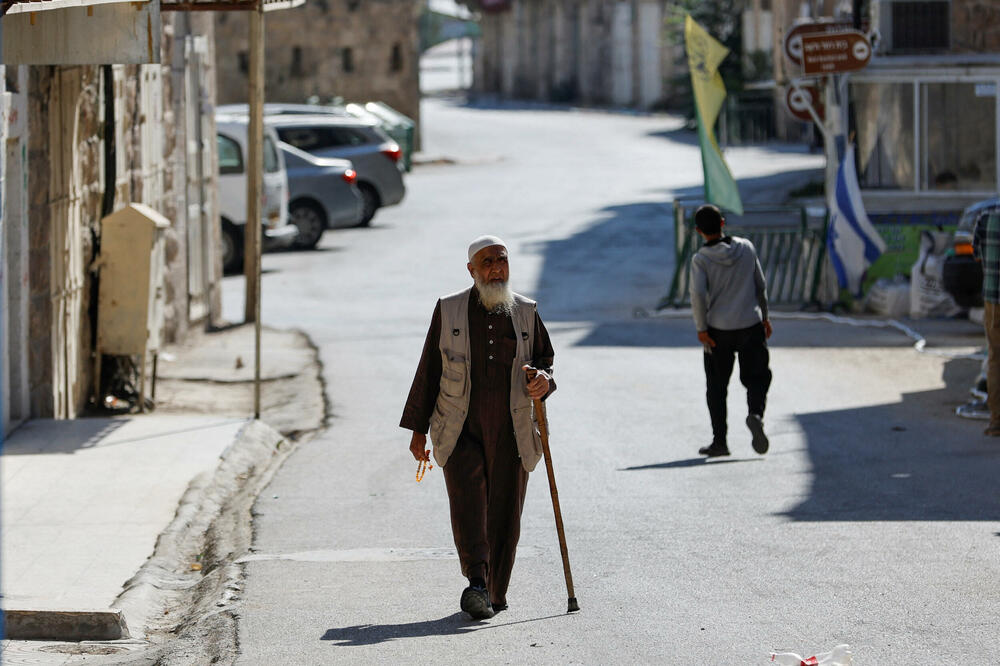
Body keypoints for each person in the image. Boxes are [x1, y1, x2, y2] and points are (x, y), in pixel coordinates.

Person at [400, 235, 555, 619]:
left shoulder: (526, 311)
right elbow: (429, 370)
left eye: (501, 261)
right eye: (487, 263)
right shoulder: (449, 310)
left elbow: (545, 361)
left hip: (512, 429)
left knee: (505, 512)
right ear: (471, 270)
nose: (496, 269)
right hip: (459, 428)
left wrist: (544, 381)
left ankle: (496, 593)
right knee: (468, 508)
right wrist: (417, 431)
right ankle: (477, 583)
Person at [688, 204, 772, 457]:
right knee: (757, 377)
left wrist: (701, 328)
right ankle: (755, 413)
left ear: (698, 231)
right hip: (751, 324)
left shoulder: (701, 260)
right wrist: (765, 317)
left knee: (716, 387)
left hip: (718, 330)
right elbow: (761, 286)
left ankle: (720, 442)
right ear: (723, 223)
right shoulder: (746, 247)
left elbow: (698, 294)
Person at [973, 210, 1000, 436]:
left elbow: (976, 254)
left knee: (995, 358)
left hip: (993, 300)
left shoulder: (985, 219)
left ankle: (996, 422)